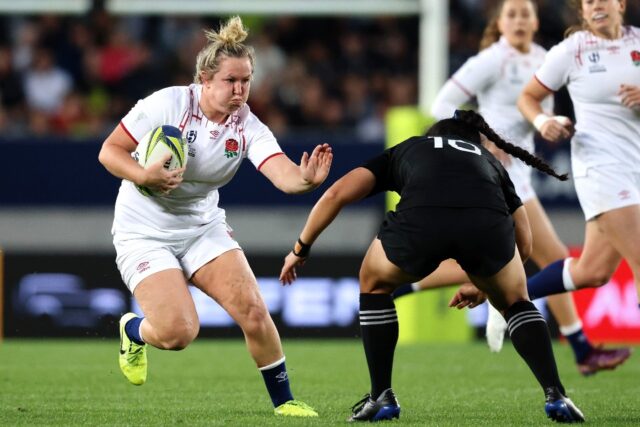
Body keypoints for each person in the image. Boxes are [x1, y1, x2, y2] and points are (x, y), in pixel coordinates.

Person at [280, 110, 584, 423]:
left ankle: (381, 395)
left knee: (373, 281)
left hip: (422, 224)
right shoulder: (489, 160)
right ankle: (556, 394)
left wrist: (300, 248)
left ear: (433, 135)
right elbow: (526, 243)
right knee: (516, 301)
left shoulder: (411, 147)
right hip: (486, 228)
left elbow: (336, 194)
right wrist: (488, 284)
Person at [98, 16, 332, 418]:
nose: (240, 90)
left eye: (246, 81)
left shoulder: (248, 127)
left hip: (201, 226)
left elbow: (283, 174)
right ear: (205, 79)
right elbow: (109, 151)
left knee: (254, 311)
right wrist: (144, 174)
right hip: (144, 231)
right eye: (230, 81)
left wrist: (305, 180)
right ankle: (132, 330)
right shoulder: (168, 103)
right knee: (177, 334)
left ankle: (285, 402)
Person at [392, 0, 631, 375]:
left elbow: (536, 106)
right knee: (526, 256)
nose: (519, 20)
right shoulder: (492, 60)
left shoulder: (544, 57)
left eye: (525, 13)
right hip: (495, 174)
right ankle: (581, 348)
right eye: (511, 14)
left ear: (536, 21)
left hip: (522, 173)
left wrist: (548, 122)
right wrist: (478, 142)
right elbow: (442, 104)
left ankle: (399, 286)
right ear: (499, 24)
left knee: (527, 258)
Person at [513, 0, 640, 329]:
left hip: (634, 163)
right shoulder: (572, 51)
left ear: (621, 4)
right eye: (588, 2)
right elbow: (527, 98)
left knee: (592, 272)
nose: (596, 5)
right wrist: (543, 122)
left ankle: (508, 296)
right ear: (582, 12)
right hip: (600, 165)